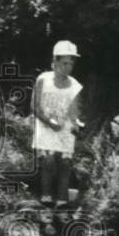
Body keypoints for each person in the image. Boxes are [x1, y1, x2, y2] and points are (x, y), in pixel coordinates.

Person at [32, 40, 84, 211]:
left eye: (71, 63)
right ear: (54, 62)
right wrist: (50, 122)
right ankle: (46, 200)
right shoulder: (43, 80)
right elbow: (35, 108)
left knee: (65, 163)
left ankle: (62, 203)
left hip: (64, 128)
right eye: (64, 63)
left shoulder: (75, 86)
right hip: (45, 124)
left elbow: (73, 112)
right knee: (47, 162)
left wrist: (77, 123)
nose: (68, 67)